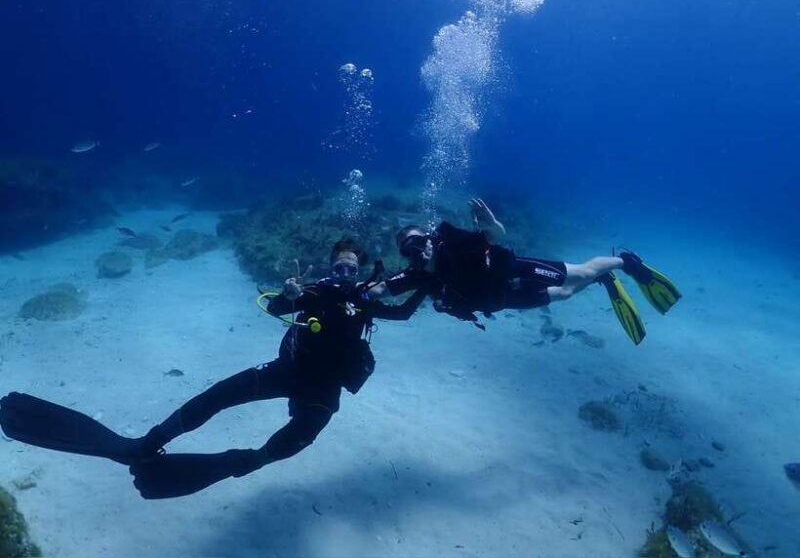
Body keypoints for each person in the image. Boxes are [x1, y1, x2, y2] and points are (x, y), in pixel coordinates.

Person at [0, 239, 427, 499]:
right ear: (329, 268)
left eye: (351, 268)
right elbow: (278, 306)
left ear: (361, 271)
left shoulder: (368, 300)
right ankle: (146, 443)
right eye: (339, 267)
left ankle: (243, 462)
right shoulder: (312, 292)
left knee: (300, 437)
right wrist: (289, 292)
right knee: (219, 395)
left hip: (325, 386)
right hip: (289, 369)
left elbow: (405, 314)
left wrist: (425, 283)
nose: (345, 273)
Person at [371, 199, 680, 344]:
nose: (417, 252)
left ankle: (626, 262)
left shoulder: (453, 245)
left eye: (419, 243)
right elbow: (381, 290)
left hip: (513, 271)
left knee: (583, 273)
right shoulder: (417, 276)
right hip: (501, 299)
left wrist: (490, 224)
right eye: (408, 250)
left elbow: (497, 236)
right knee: (566, 293)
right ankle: (605, 278)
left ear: (429, 239)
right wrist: (355, 292)